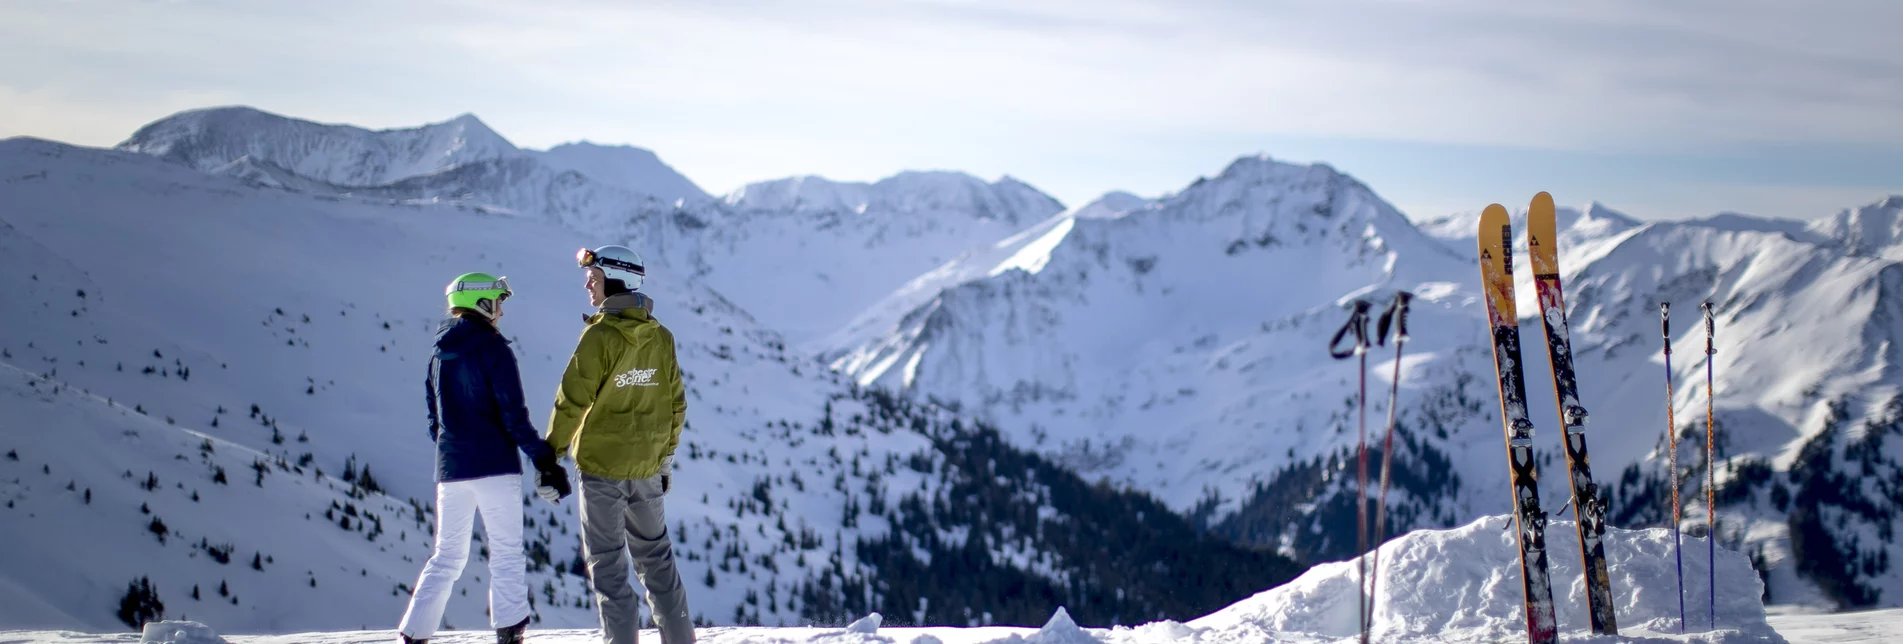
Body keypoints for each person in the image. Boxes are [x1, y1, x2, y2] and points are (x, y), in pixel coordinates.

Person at [398, 273, 573, 644]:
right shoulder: (495, 350)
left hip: (451, 469)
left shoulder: (436, 355)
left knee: (446, 556)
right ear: (482, 303)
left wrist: (455, 452)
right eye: (498, 302)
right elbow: (514, 417)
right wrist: (544, 459)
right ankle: (509, 631)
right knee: (507, 552)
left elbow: (436, 422)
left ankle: (414, 633)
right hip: (495, 467)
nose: (501, 312)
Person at [544, 246, 694, 644]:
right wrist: (664, 461)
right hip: (646, 471)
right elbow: (675, 404)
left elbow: (571, 401)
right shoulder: (661, 337)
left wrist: (550, 457)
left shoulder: (599, 336)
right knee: (658, 564)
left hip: (601, 473)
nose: (587, 284)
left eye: (593, 277)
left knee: (609, 570)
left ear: (615, 280)